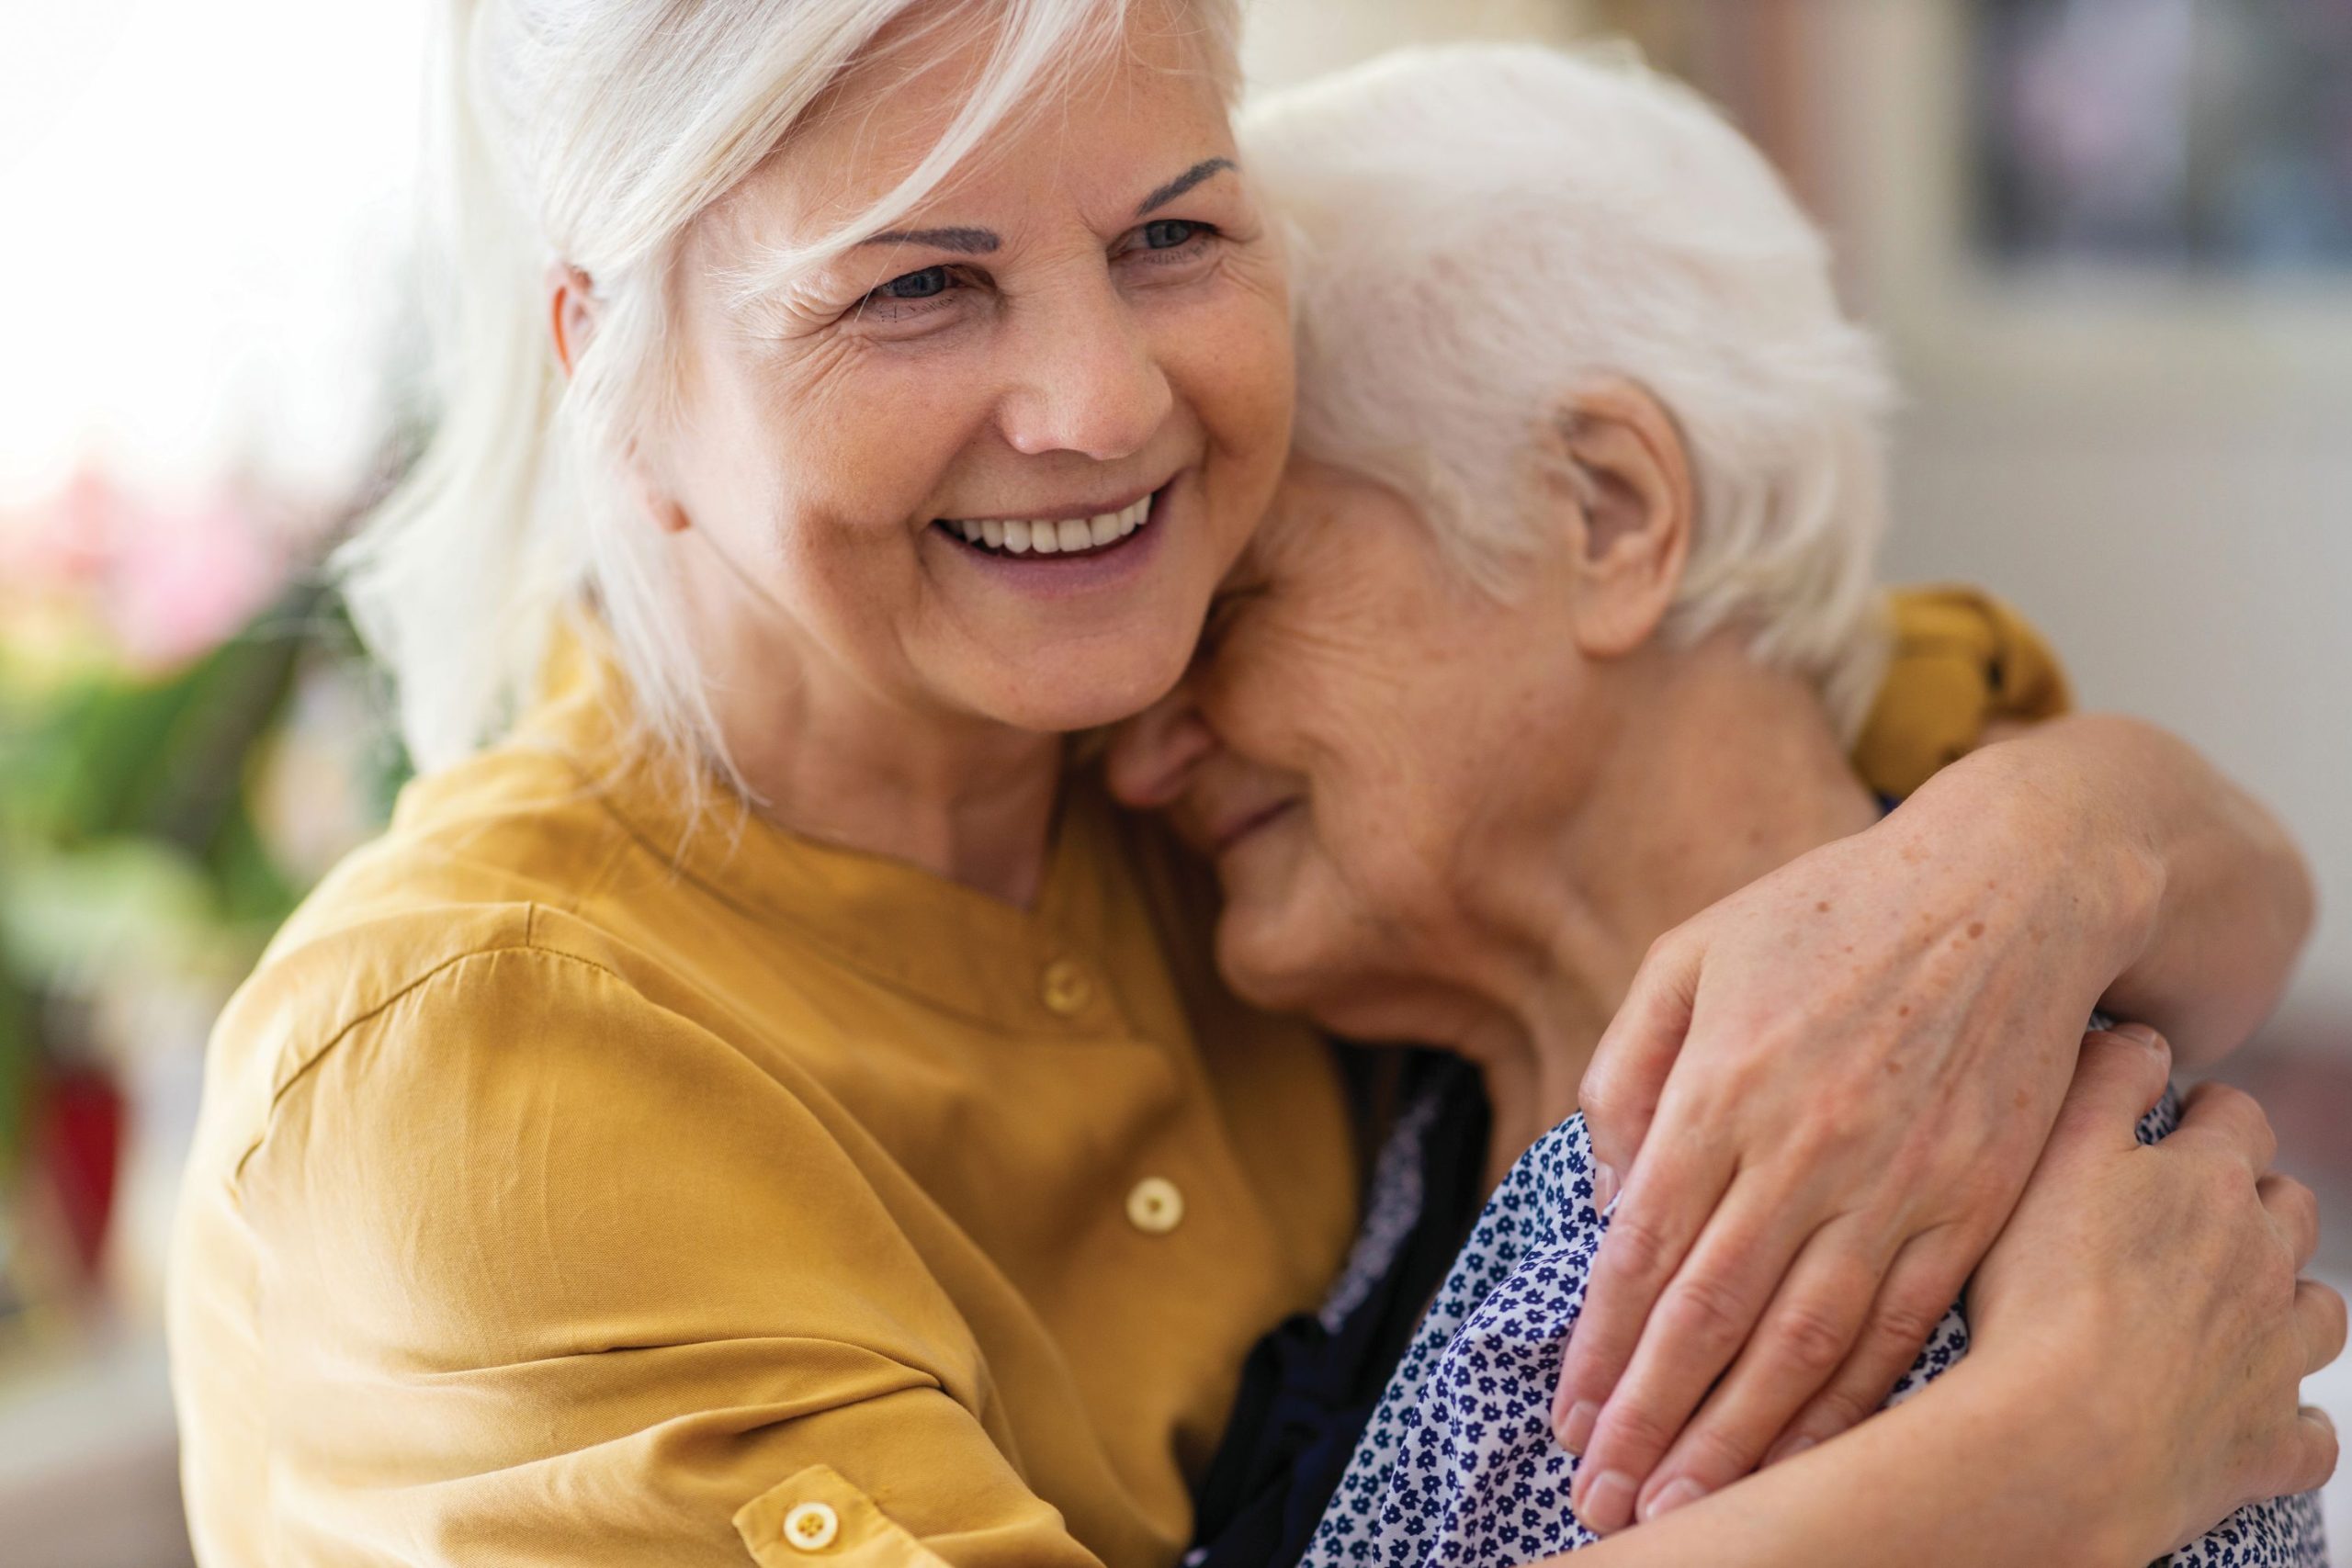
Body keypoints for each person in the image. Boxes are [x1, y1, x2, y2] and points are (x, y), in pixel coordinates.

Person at [166, 6, 2323, 1564]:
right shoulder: (466, 1076)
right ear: (611, 370)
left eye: (1177, 235)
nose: (1100, 405)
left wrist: (2038, 859)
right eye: (917, 284)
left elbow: (2051, 813)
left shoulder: (1168, 759)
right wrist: (2039, 1474)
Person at [1105, 44, 2339, 1565]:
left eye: (1232, 607)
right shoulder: (1407, 1116)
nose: (1135, 754)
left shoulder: (1982, 1212)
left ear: (1611, 514)